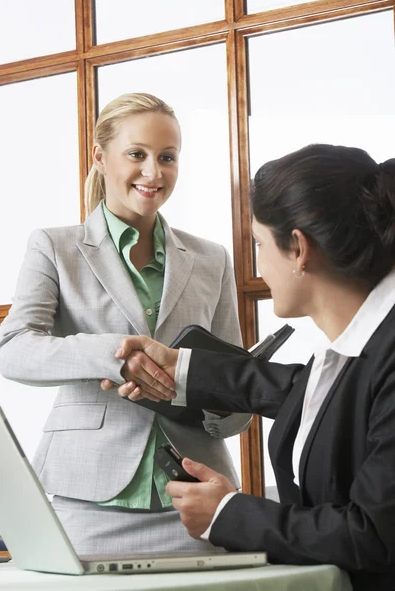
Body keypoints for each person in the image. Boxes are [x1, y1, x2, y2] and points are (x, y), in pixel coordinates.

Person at [104, 144, 395, 591]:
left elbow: (373, 536)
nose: (257, 267)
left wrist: (228, 514)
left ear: (298, 249)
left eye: (258, 243)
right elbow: (319, 393)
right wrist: (181, 367)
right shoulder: (362, 348)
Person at [0, 92, 251, 555]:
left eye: (167, 157)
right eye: (137, 154)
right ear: (100, 156)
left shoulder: (212, 259)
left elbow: (237, 396)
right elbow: (13, 350)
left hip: (197, 503)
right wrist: (117, 357)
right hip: (87, 503)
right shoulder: (54, 247)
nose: (154, 172)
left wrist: (212, 399)